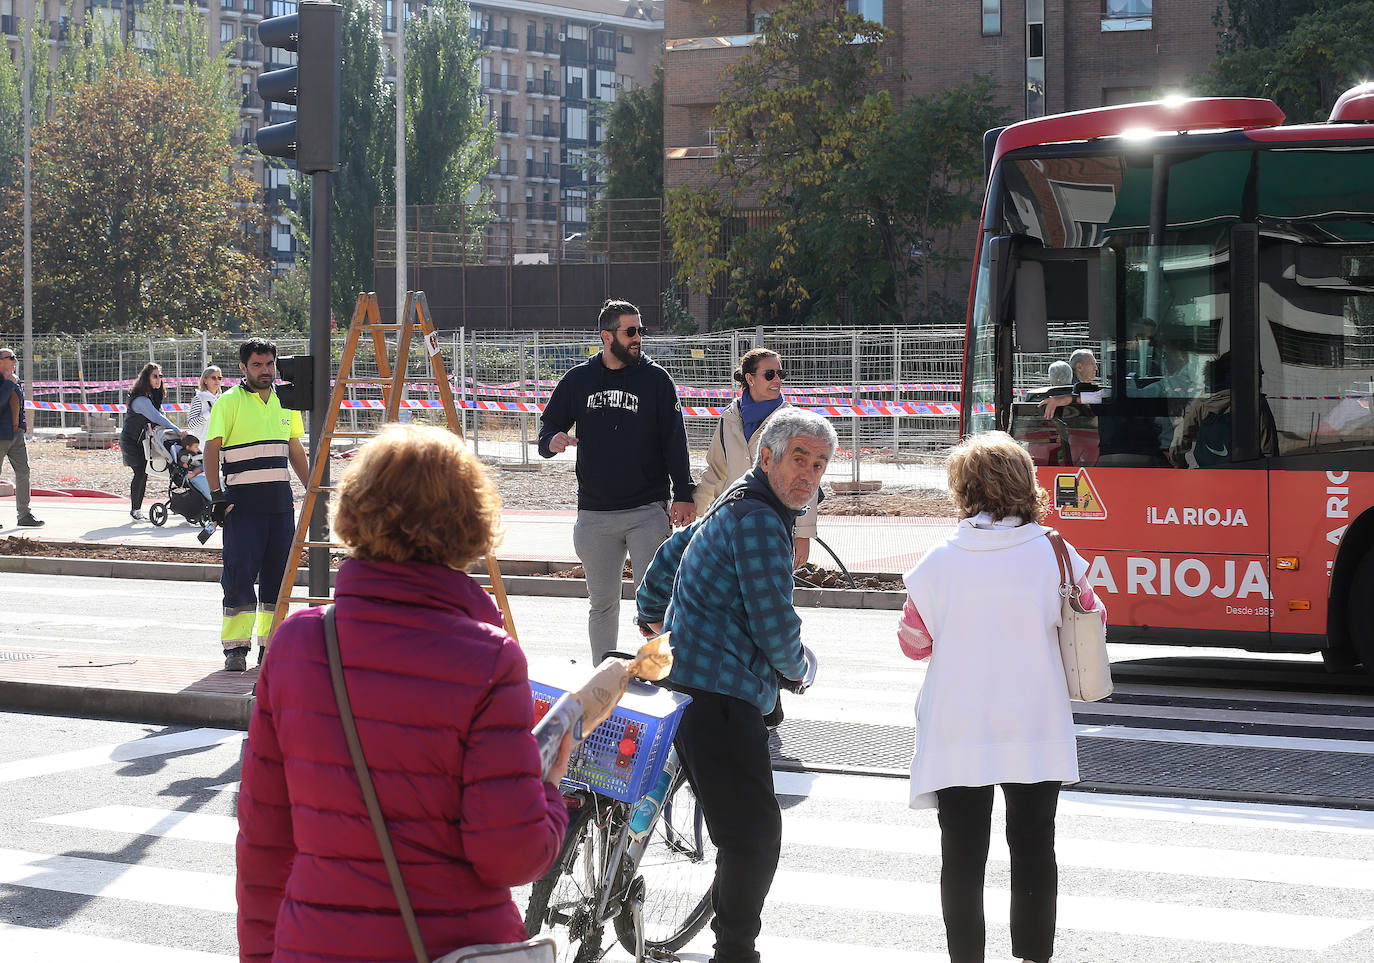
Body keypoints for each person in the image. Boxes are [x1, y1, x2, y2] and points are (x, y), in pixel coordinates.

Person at [236, 423, 573, 963]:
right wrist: (551, 794)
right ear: (469, 523)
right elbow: (511, 854)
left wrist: (260, 954)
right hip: (450, 942)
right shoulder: (490, 659)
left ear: (355, 513)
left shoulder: (299, 642)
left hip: (315, 944)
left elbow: (265, 836)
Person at [636, 407, 836, 963]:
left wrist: (660, 623)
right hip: (721, 697)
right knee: (752, 837)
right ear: (765, 456)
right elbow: (774, 622)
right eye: (800, 458)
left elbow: (660, 571)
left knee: (733, 819)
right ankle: (736, 953)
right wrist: (799, 671)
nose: (809, 475)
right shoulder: (760, 520)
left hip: (682, 685)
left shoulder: (732, 503)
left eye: (819, 465)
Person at [897, 431, 1103, 963]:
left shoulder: (937, 563)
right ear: (1024, 483)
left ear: (962, 490)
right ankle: (1034, 955)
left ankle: (966, 957)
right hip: (1035, 719)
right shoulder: (1055, 552)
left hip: (959, 722)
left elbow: (914, 645)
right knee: (1034, 847)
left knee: (962, 855)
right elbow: (1092, 617)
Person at [537, 298, 697, 661]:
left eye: (640, 330)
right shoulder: (578, 379)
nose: (638, 337)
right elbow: (547, 428)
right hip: (595, 514)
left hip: (647, 510)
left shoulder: (656, 380)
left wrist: (683, 493)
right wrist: (553, 441)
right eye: (630, 331)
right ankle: (602, 680)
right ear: (607, 337)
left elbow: (675, 441)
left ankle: (662, 681)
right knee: (603, 605)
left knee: (655, 603)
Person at [204, 338, 309, 672]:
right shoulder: (228, 402)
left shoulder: (287, 401)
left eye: (269, 364)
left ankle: (271, 646)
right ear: (243, 368)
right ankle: (235, 649)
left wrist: (314, 489)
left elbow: (294, 448)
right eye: (257, 365)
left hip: (280, 506)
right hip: (242, 506)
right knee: (239, 575)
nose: (265, 371)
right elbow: (211, 448)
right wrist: (216, 496)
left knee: (278, 579)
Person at [694, 348, 818, 570]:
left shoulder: (794, 423)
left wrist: (804, 534)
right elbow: (715, 472)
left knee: (768, 597)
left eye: (781, 374)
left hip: (774, 526)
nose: (778, 380)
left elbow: (806, 479)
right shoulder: (729, 419)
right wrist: (696, 515)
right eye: (770, 374)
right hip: (730, 525)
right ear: (749, 379)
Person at [120, 362, 179, 521]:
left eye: (160, 376)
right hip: (131, 441)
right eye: (155, 376)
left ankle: (138, 509)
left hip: (142, 441)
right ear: (147, 378)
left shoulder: (153, 396)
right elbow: (156, 417)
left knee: (144, 473)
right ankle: (135, 510)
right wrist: (179, 431)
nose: (159, 379)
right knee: (140, 473)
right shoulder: (140, 399)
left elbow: (161, 416)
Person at [0, 347, 43, 527]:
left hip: (16, 435)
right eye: (12, 358)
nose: (15, 362)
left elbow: (19, 406)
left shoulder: (14, 380)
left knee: (24, 472)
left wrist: (22, 426)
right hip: (1, 435)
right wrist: (9, 384)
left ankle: (24, 515)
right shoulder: (9, 382)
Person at [173, 431, 211, 501]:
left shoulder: (195, 453)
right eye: (196, 447)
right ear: (188, 447)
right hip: (189, 472)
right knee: (202, 466)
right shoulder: (184, 454)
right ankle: (194, 473)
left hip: (198, 468)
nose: (197, 449)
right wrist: (185, 463)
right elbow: (183, 462)